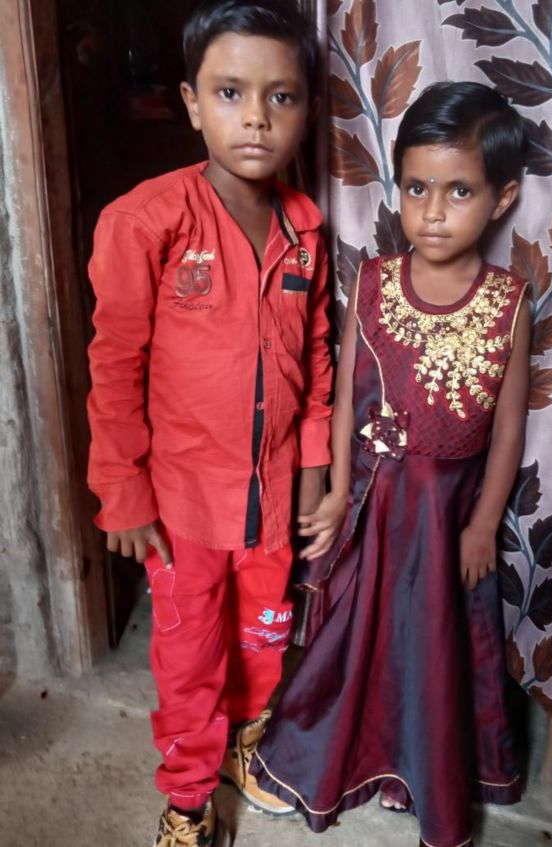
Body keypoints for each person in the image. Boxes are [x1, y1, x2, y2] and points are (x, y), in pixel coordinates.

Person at [252, 81, 530, 847]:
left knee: (435, 648)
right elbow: (346, 398)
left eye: (459, 191)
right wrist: (340, 492)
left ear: (502, 199)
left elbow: (508, 429)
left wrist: (482, 525)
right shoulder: (374, 281)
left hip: (447, 517)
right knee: (359, 637)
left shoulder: (509, 300)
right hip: (378, 506)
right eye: (415, 188)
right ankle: (331, 756)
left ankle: (430, 780)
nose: (433, 211)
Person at [86, 2, 332, 844]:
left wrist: (313, 473)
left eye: (281, 96)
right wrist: (123, 492)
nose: (256, 116)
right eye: (231, 92)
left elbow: (316, 359)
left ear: (307, 109)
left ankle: (244, 740)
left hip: (272, 498)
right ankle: (188, 797)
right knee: (189, 656)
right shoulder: (145, 221)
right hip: (182, 505)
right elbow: (115, 365)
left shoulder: (304, 227)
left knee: (264, 635)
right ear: (192, 103)